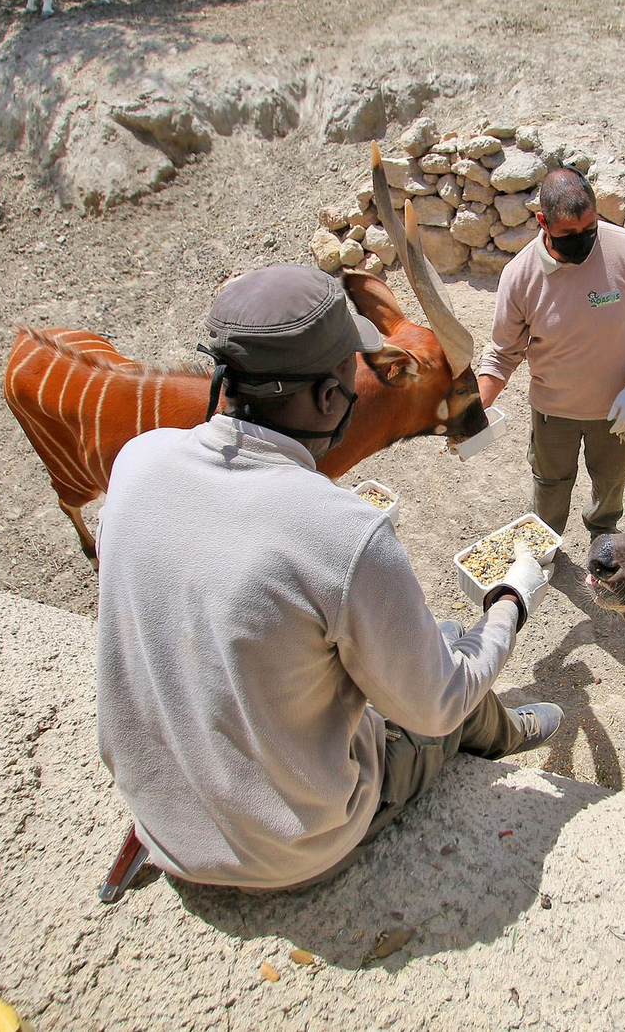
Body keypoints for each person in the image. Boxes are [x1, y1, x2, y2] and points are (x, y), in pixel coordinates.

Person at [95, 264, 563, 891]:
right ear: (325, 397)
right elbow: (435, 705)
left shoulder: (137, 459)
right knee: (453, 669)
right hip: (289, 852)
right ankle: (505, 734)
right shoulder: (345, 531)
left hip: (161, 819)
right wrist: (511, 599)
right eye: (352, 377)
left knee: (416, 642)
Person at [477, 167, 625, 539]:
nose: (582, 241)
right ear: (543, 222)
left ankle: (603, 537)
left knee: (612, 482)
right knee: (550, 486)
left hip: (616, 410)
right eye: (569, 233)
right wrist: (474, 411)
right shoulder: (519, 275)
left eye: (590, 229)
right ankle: (545, 546)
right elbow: (503, 353)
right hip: (553, 414)